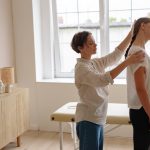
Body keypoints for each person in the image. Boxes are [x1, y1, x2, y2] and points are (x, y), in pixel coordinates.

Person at [70, 29, 145, 150]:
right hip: (88, 119)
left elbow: (115, 56)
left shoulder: (93, 63)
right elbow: (102, 80)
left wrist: (130, 34)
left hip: (97, 118)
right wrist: (127, 62)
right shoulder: (81, 68)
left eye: (94, 42)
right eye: (90, 43)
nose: (95, 45)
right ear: (80, 48)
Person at [125, 17, 150, 150]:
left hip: (143, 108)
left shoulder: (141, 51)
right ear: (142, 26)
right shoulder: (136, 52)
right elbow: (140, 88)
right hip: (142, 109)